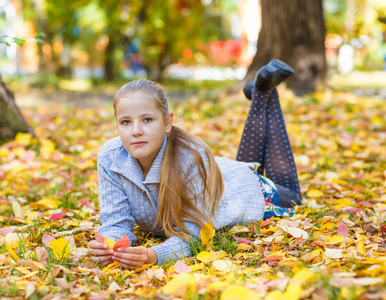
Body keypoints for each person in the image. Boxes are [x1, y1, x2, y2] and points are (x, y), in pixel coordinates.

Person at [87, 59, 302, 269]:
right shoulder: (111, 157)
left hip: (248, 192)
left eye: (147, 120)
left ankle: (265, 93)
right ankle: (259, 93)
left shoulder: (191, 157)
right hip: (221, 176)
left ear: (167, 122)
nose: (135, 130)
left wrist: (153, 256)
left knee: (293, 195)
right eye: (126, 122)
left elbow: (194, 234)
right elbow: (116, 222)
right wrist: (109, 246)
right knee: (247, 164)